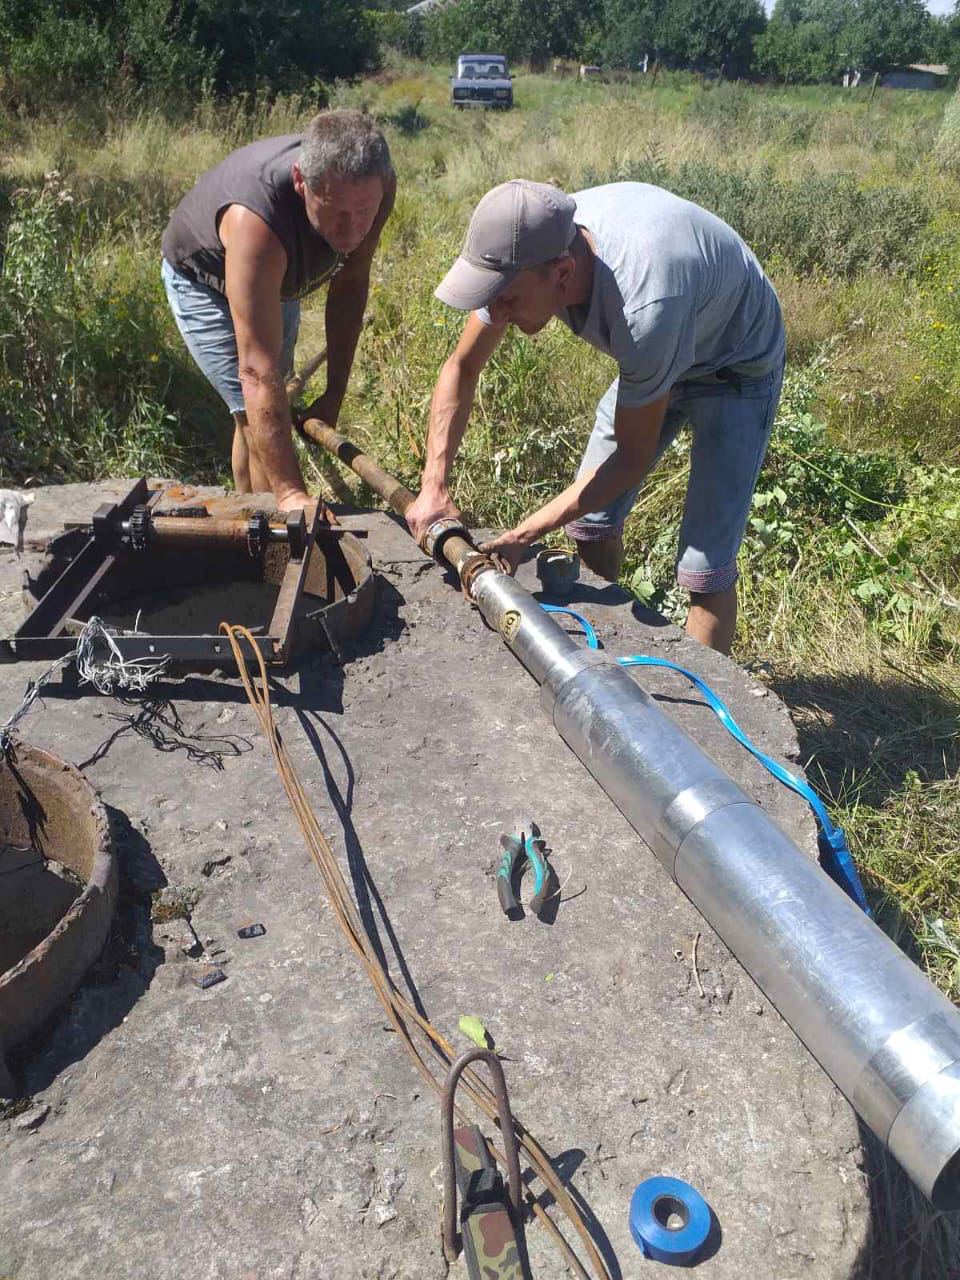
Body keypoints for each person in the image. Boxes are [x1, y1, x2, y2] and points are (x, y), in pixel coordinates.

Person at [405, 179, 785, 654]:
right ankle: (607, 664)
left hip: (735, 370)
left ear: (562, 274)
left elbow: (630, 458)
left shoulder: (644, 306)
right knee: (591, 526)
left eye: (507, 300)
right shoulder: (526, 246)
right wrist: (433, 488)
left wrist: (523, 534)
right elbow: (462, 367)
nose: (496, 311)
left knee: (703, 569)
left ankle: (697, 720)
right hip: (660, 350)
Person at [161, 109, 395, 516]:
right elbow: (256, 372)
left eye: (364, 211)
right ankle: (270, 534)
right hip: (204, 280)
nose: (353, 229)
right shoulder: (257, 223)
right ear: (302, 182)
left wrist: (333, 395)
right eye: (337, 211)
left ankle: (253, 513)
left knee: (264, 412)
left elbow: (351, 283)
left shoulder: (376, 186)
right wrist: (292, 496)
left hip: (279, 280)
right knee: (254, 414)